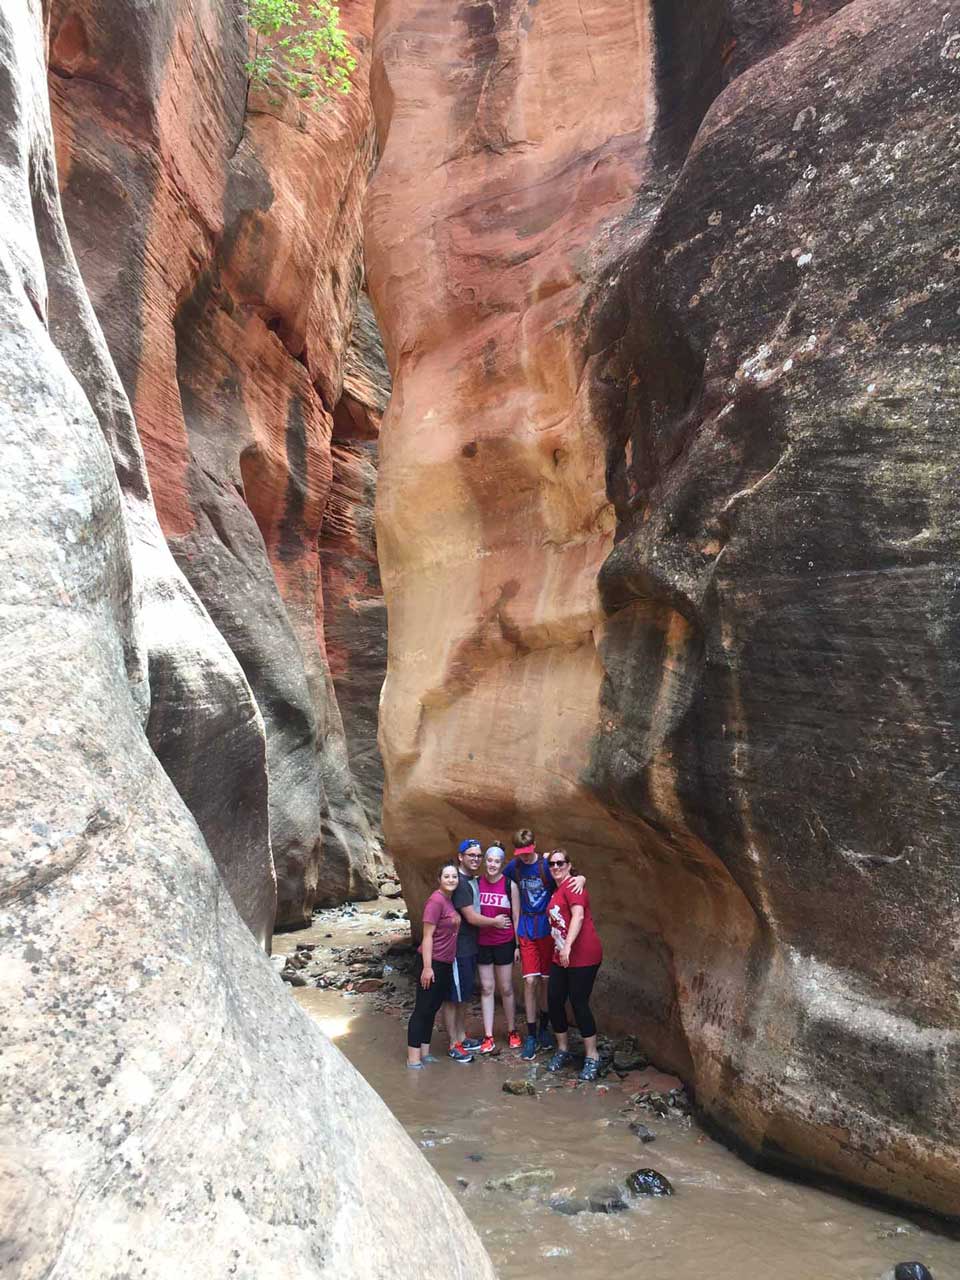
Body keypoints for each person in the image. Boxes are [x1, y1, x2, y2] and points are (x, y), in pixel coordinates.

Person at [504, 828, 585, 1060]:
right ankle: (531, 1033)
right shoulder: (515, 867)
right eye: (521, 853)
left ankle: (543, 1029)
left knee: (547, 981)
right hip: (527, 929)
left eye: (528, 852)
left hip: (548, 930)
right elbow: (504, 884)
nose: (525, 857)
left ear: (535, 846)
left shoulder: (547, 863)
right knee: (530, 981)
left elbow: (570, 876)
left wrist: (581, 877)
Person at [443, 838, 512, 1062]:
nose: (476, 859)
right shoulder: (461, 883)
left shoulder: (471, 879)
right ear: (460, 857)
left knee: (463, 995)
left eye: (478, 856)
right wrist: (495, 922)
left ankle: (461, 1037)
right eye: (471, 855)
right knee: (453, 997)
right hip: (458, 947)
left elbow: (509, 868)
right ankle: (454, 1043)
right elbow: (471, 917)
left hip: (471, 946)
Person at [544, 847, 604, 1081]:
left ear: (569, 865)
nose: (556, 867)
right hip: (561, 955)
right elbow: (538, 857)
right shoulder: (557, 888)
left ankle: (592, 1055)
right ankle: (563, 1049)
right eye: (552, 864)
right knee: (554, 1000)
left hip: (583, 954)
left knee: (579, 1003)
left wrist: (568, 945)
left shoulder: (573, 887)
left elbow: (578, 916)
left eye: (561, 863)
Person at [406, 863, 462, 1068]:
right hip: (432, 962)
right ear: (439, 879)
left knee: (432, 1008)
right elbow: (427, 937)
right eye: (447, 876)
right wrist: (427, 968)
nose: (451, 880)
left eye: (454, 876)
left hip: (445, 962)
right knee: (422, 1009)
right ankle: (413, 1058)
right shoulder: (436, 901)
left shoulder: (448, 900)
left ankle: (425, 1053)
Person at [476, 845, 521, 1053]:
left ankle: (512, 1031)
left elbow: (516, 917)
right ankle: (488, 1035)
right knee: (486, 988)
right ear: (485, 861)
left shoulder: (509, 885)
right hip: (482, 942)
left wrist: (518, 945)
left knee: (506, 988)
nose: (492, 864)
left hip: (504, 942)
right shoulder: (476, 884)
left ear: (502, 864)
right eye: (489, 860)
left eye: (496, 861)